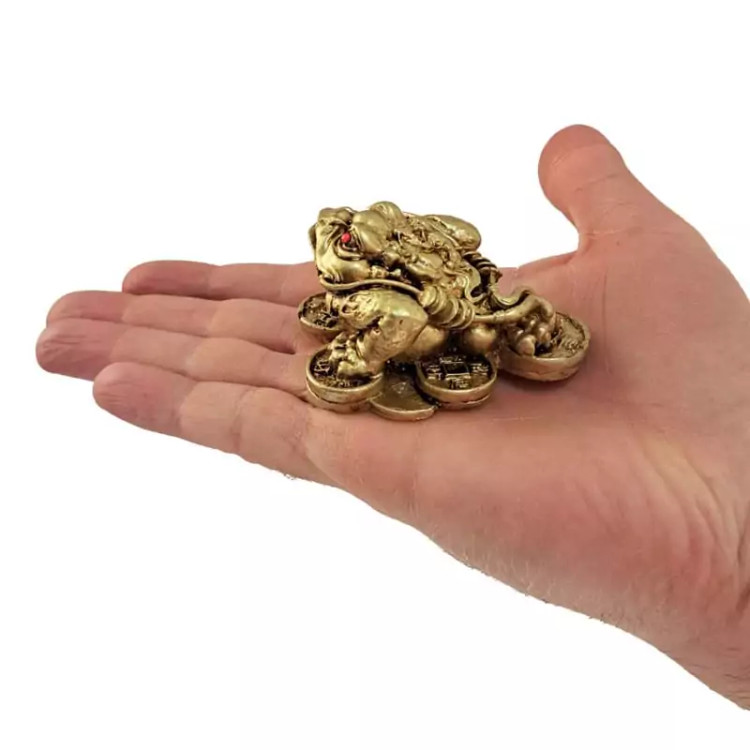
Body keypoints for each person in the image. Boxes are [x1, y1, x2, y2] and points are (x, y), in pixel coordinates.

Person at [36, 125, 750, 708]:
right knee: (415, 323)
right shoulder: (363, 279)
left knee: (470, 325)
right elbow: (389, 287)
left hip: (456, 298)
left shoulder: (443, 269)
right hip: (403, 303)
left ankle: (445, 328)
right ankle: (365, 352)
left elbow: (457, 266)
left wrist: (727, 568)